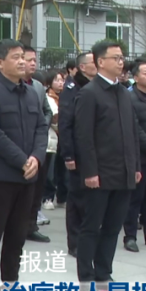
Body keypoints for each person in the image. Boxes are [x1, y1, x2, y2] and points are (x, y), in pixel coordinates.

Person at [0, 39, 48, 291]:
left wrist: (37, 157)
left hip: (27, 176)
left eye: (24, 57)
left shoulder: (31, 92)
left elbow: (41, 128)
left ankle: (11, 287)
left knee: (17, 238)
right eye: (16, 57)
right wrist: (22, 160)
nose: (22, 61)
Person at [74, 41, 141, 284]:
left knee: (113, 227)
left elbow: (133, 133)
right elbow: (84, 136)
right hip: (100, 173)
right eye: (116, 58)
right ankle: (86, 275)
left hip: (123, 172)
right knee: (91, 226)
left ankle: (104, 272)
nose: (121, 62)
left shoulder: (124, 92)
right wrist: (90, 172)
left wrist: (135, 166)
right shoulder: (89, 93)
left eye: (122, 58)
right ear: (100, 62)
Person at [58, 51, 97, 256]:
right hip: (77, 152)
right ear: (82, 67)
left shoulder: (96, 86)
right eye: (94, 62)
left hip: (95, 152)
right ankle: (75, 242)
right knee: (77, 199)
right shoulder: (72, 88)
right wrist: (69, 154)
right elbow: (66, 124)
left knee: (91, 199)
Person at [123, 59, 146, 253]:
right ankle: (130, 236)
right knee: (135, 199)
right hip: (139, 157)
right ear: (135, 77)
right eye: (145, 73)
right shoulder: (129, 98)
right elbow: (135, 129)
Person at [21, 46, 53, 244]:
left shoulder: (38, 86)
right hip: (19, 146)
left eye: (35, 60)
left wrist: (41, 126)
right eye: (28, 59)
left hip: (38, 145)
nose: (33, 63)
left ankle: (31, 225)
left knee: (36, 189)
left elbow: (47, 111)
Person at [43, 71, 65, 211]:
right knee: (49, 172)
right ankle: (47, 198)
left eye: (62, 80)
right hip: (51, 137)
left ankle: (62, 197)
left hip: (63, 138)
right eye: (57, 80)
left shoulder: (65, 97)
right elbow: (54, 118)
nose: (60, 83)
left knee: (62, 171)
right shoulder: (47, 98)